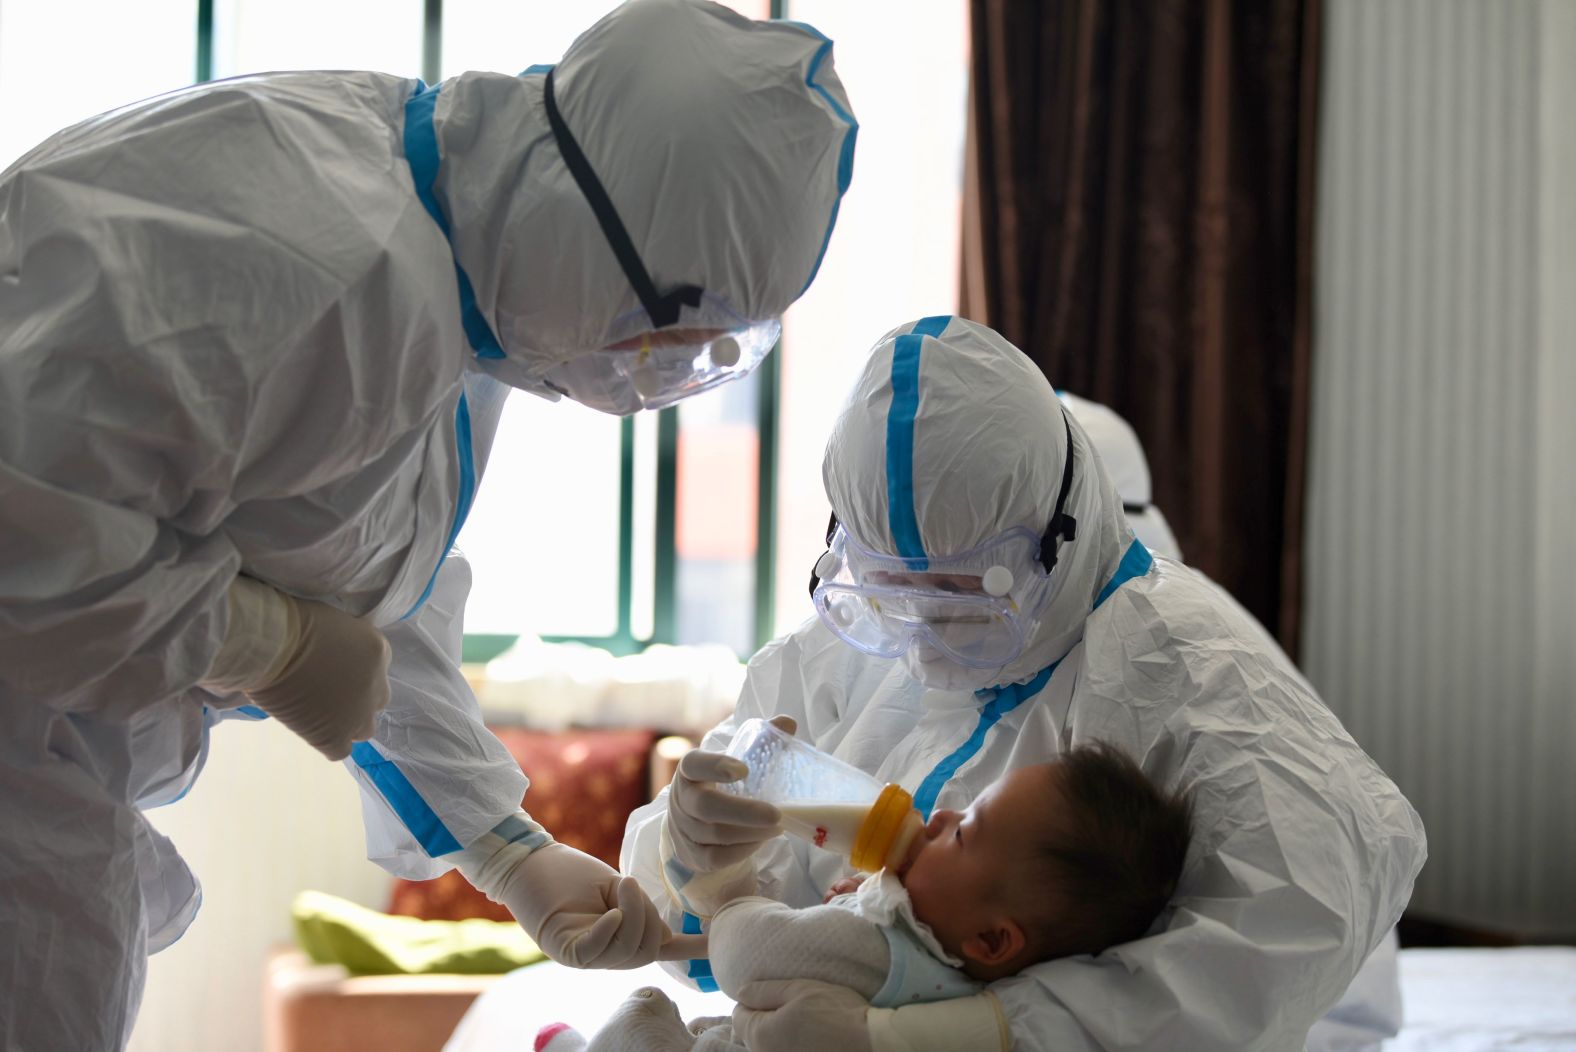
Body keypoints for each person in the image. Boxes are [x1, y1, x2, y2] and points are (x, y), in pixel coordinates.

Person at [0, 1, 856, 1048]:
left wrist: (508, 849)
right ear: (597, 234)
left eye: (724, 344)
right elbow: (24, 532)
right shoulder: (325, 260)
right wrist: (262, 642)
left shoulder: (464, 285)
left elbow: (362, 601)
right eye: (680, 326)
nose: (672, 369)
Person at [621, 315, 1426, 1051]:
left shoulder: (1198, 684)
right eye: (895, 590)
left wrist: (956, 1039)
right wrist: (695, 862)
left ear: (1055, 537)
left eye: (964, 590)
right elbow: (708, 943)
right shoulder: (834, 658)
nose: (927, 632)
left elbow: (1280, 943)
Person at [548, 743, 1192, 1052]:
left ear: (992, 940)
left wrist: (730, 890)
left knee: (644, 1011)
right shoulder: (943, 968)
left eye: (965, 832)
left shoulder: (883, 956)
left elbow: (752, 957)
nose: (938, 818)